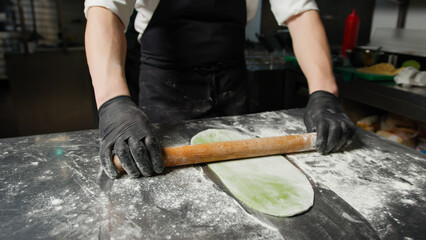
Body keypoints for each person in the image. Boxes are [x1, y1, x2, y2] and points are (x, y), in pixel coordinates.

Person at [84, 0, 355, 179]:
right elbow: (104, 10)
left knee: (241, 174)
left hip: (231, 82)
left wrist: (323, 92)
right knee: (161, 177)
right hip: (165, 85)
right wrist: (113, 102)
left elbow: (300, 11)